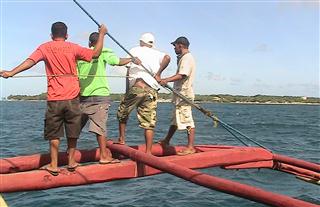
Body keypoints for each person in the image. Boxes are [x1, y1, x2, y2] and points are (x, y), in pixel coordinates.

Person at [0, 22, 107, 175]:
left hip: (55, 99)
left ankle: (54, 164)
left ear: (51, 35)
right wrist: (102, 34)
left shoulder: (45, 47)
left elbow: (30, 62)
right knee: (73, 131)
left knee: (54, 133)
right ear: (67, 35)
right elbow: (95, 53)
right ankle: (71, 162)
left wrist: (11, 72)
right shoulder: (73, 47)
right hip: (73, 98)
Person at [77, 32, 141, 164]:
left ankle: (69, 150)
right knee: (100, 127)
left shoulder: (80, 55)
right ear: (100, 43)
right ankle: (104, 156)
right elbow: (117, 62)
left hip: (82, 95)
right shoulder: (104, 52)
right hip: (100, 95)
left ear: (89, 43)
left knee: (77, 124)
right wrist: (132, 59)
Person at [116, 32, 171, 154]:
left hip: (137, 88)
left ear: (141, 42)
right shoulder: (157, 53)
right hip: (151, 90)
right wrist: (158, 74)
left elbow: (128, 71)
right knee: (149, 122)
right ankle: (148, 151)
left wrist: (127, 90)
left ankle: (121, 139)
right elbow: (168, 57)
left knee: (122, 112)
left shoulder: (135, 50)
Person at [158, 36, 196, 156]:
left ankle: (190, 147)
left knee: (187, 119)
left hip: (184, 94)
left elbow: (182, 75)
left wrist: (166, 80)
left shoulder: (187, 58)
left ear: (180, 45)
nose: (174, 48)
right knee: (175, 120)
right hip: (179, 94)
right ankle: (166, 140)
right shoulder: (183, 58)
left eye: (175, 45)